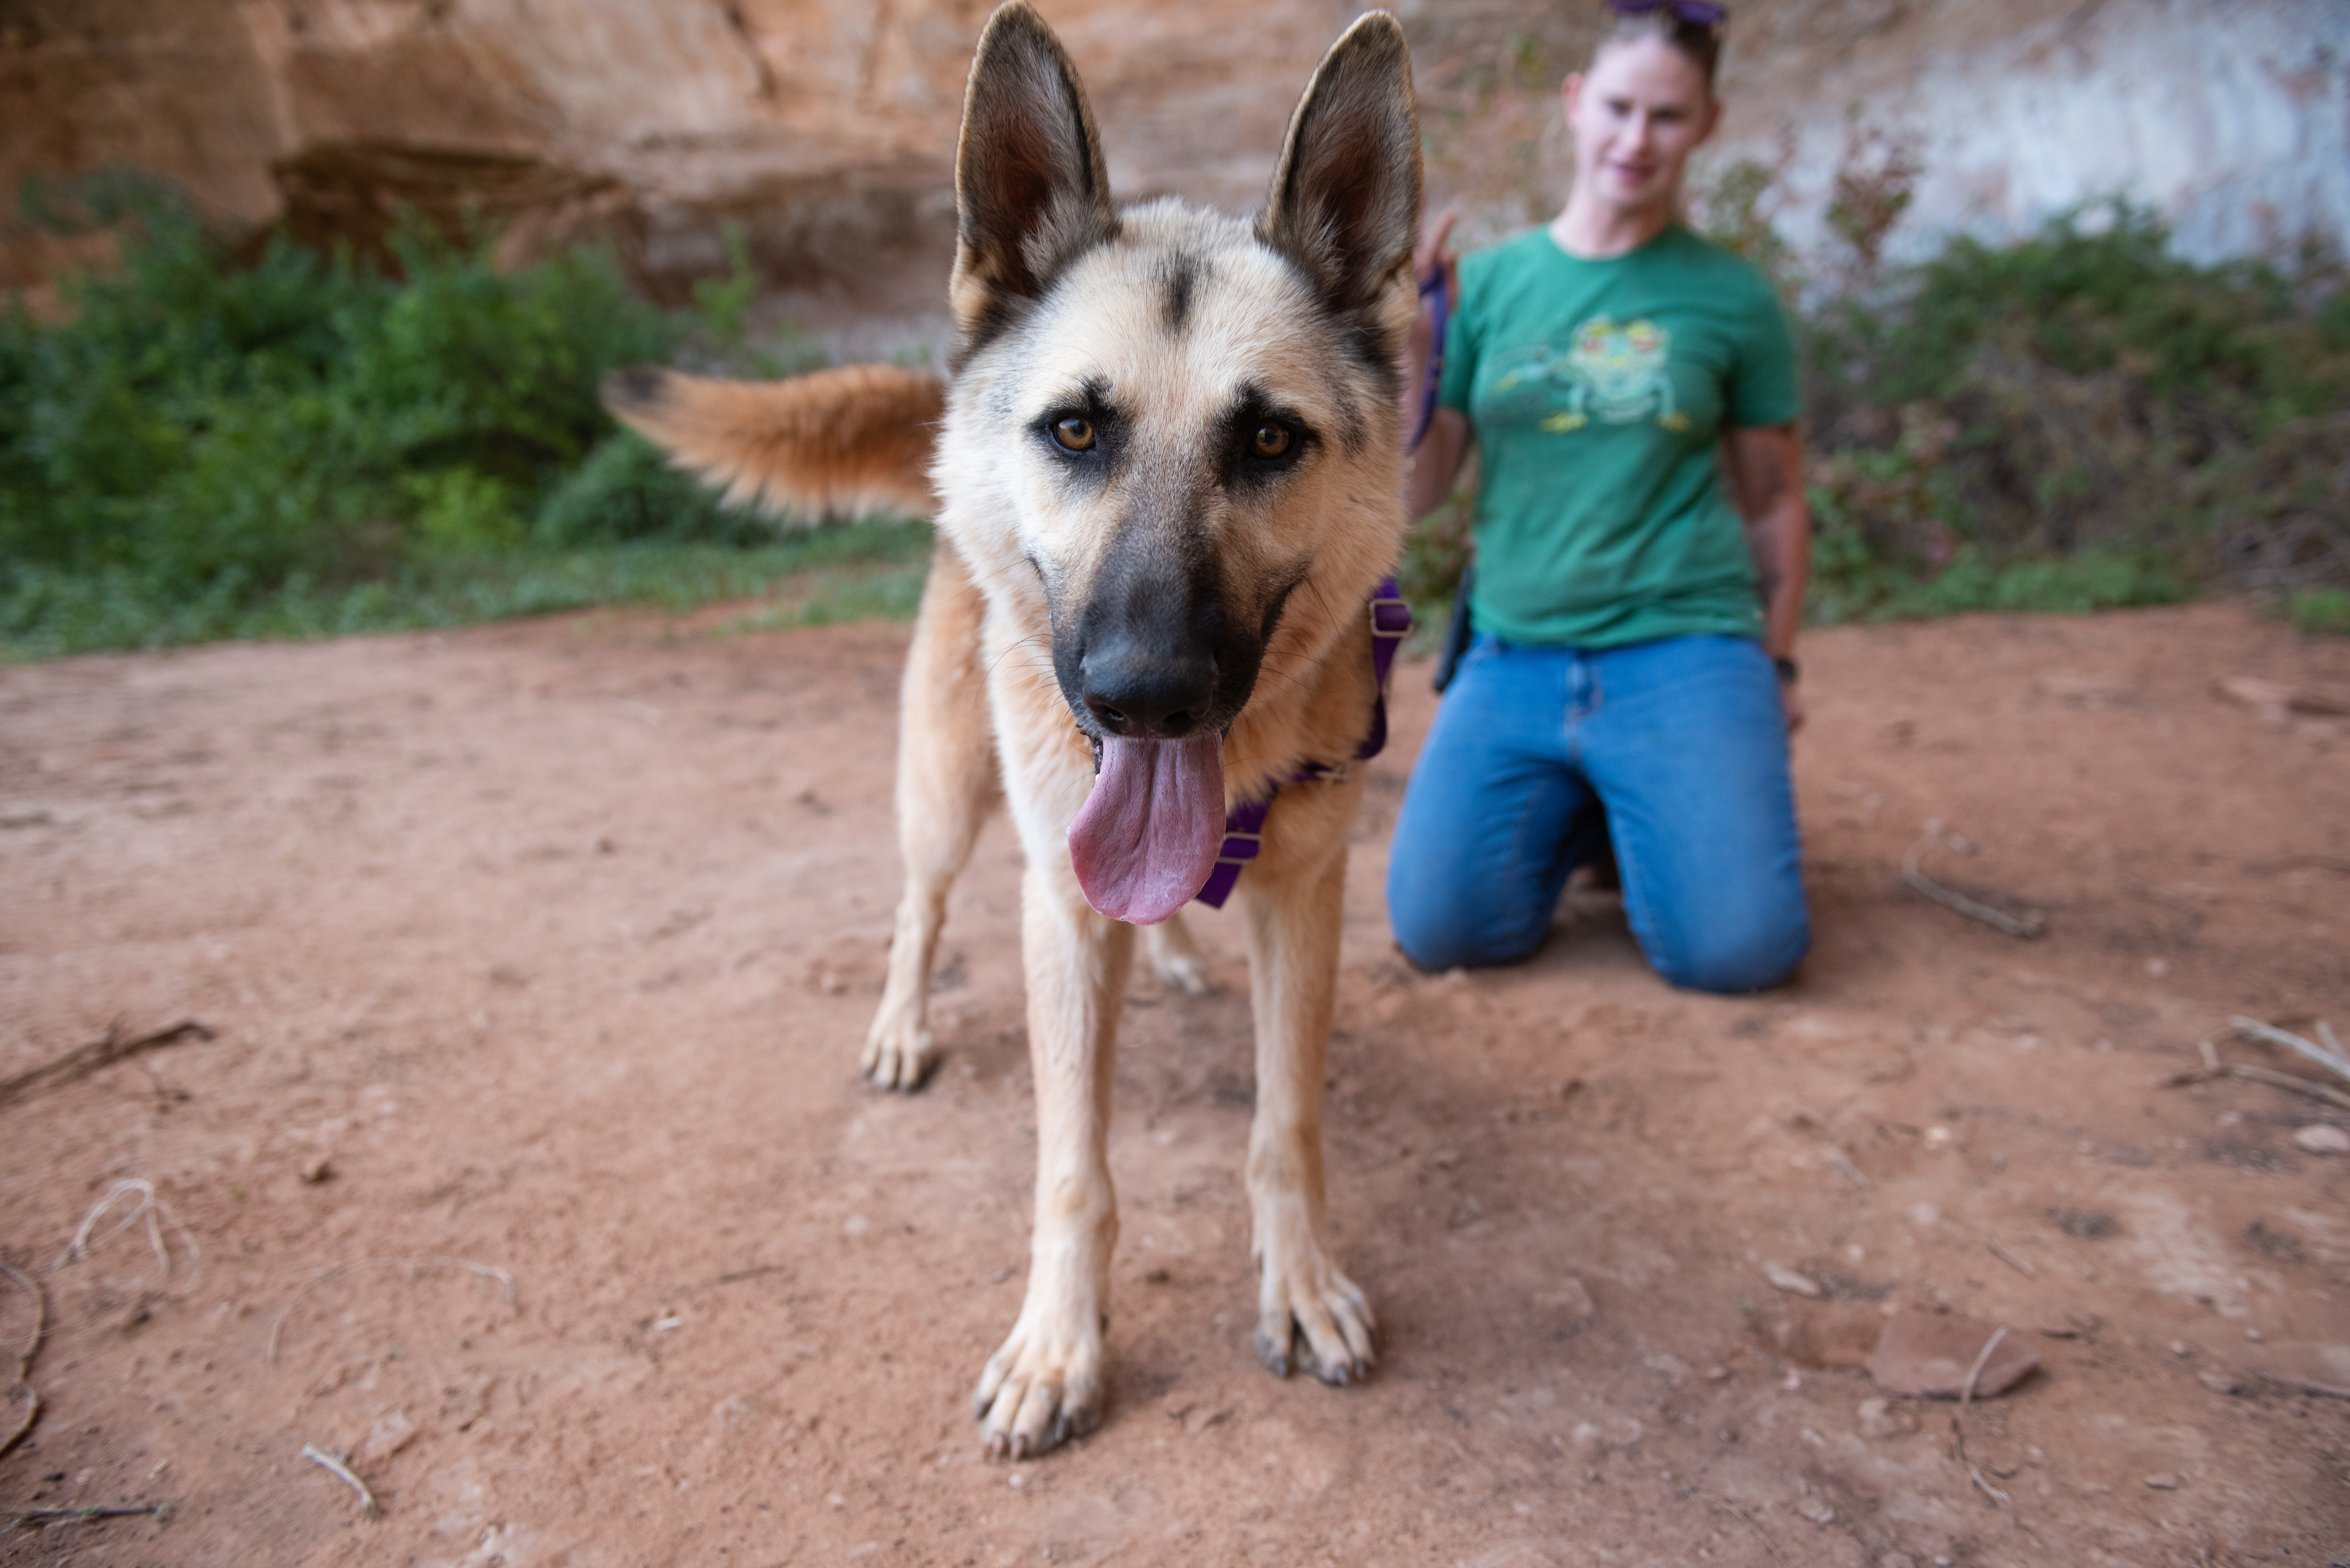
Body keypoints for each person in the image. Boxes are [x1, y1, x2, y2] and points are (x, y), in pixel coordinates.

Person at [1385, 0, 1812, 993]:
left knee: (1738, 953)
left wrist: (1780, 664)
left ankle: (1644, 797)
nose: (1636, 139)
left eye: (1668, 117)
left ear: (1706, 125)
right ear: (1576, 104)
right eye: (1619, 107)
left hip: (1686, 646)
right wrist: (1409, 352)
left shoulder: (1732, 297)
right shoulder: (1482, 289)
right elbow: (1414, 497)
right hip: (1515, 652)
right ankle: (1596, 808)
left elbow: (1773, 499)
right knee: (1442, 930)